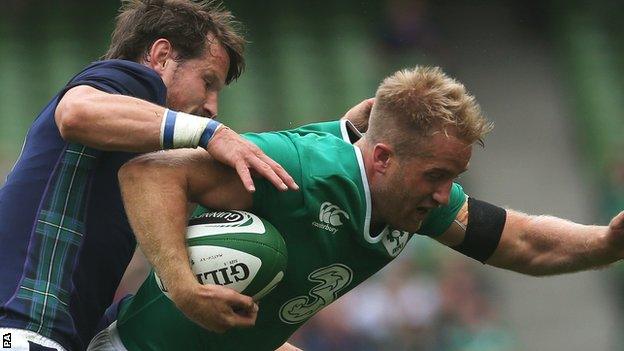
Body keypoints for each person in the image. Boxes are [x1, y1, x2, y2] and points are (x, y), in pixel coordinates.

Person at [93, 66, 623, 351]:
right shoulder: (298, 168)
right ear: (384, 158)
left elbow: (521, 240)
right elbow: (150, 171)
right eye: (436, 176)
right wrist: (183, 287)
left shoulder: (414, 202)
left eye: (453, 178)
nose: (445, 195)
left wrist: (606, 244)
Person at [0, 1, 300, 350]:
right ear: (161, 57)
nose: (213, 107)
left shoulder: (145, 167)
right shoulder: (129, 79)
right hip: (20, 329)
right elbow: (75, 112)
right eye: (207, 82)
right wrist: (210, 133)